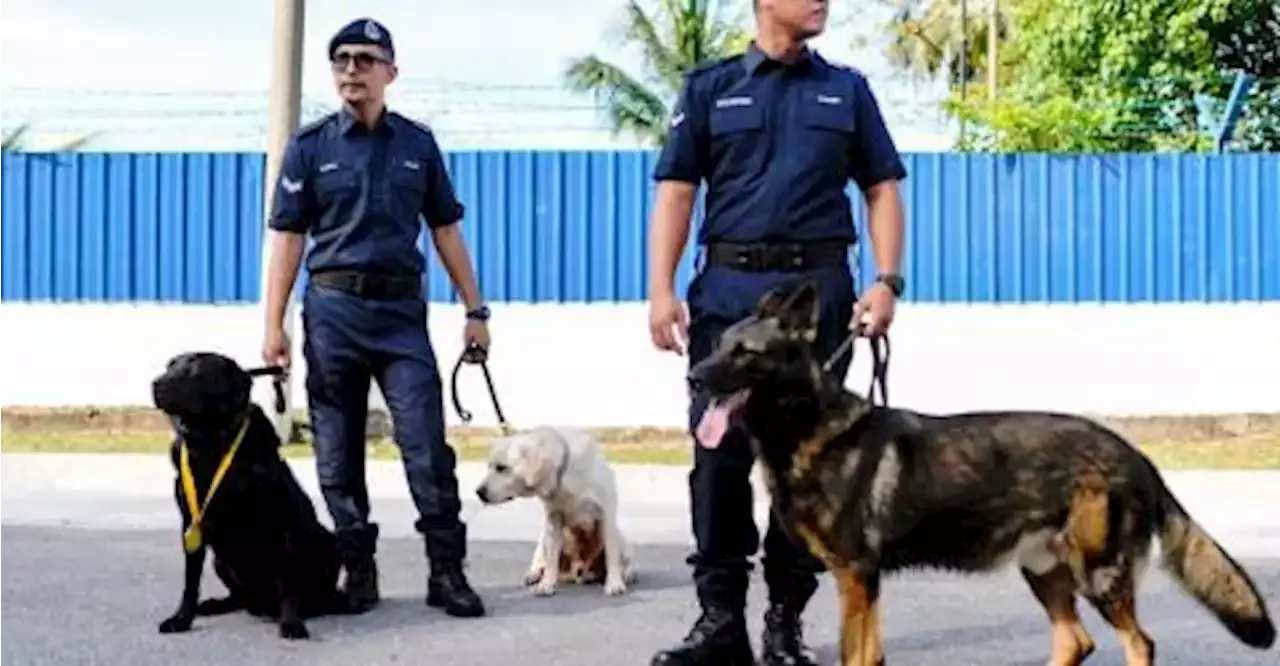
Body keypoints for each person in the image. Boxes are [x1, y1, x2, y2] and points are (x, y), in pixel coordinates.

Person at [645, 0, 908, 663]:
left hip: (818, 298)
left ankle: (785, 622)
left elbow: (881, 187)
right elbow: (677, 191)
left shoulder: (846, 89)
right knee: (718, 457)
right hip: (728, 293)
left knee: (806, 465)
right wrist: (660, 290)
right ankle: (719, 620)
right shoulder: (711, 86)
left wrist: (886, 280)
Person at [260, 17, 489, 619]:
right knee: (336, 450)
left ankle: (447, 573)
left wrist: (475, 309)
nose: (352, 71)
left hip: (400, 315)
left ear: (391, 71)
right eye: (342, 61)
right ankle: (357, 572)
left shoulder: (417, 145)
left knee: (426, 447)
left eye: (365, 59)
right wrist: (272, 326)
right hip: (332, 310)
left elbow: (445, 229)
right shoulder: (310, 148)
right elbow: (287, 238)